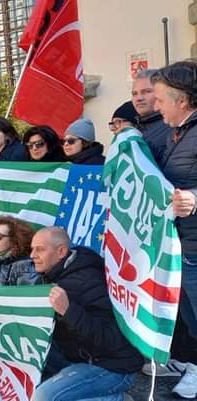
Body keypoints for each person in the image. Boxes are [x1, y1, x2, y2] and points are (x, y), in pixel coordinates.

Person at [30, 227, 142, 401]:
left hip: (113, 367)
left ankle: (116, 399)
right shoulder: (50, 274)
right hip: (79, 357)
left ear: (61, 252)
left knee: (42, 397)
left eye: (40, 249)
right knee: (25, 379)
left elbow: (110, 338)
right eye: (32, 249)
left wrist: (68, 311)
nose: (32, 255)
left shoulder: (90, 281)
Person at [152, 60, 197, 398]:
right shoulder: (177, 134)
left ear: (181, 101)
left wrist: (195, 198)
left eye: (160, 99)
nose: (156, 106)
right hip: (182, 246)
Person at [133, 68, 171, 161]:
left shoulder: (172, 126)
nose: (139, 98)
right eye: (134, 94)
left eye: (147, 91)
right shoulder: (134, 128)